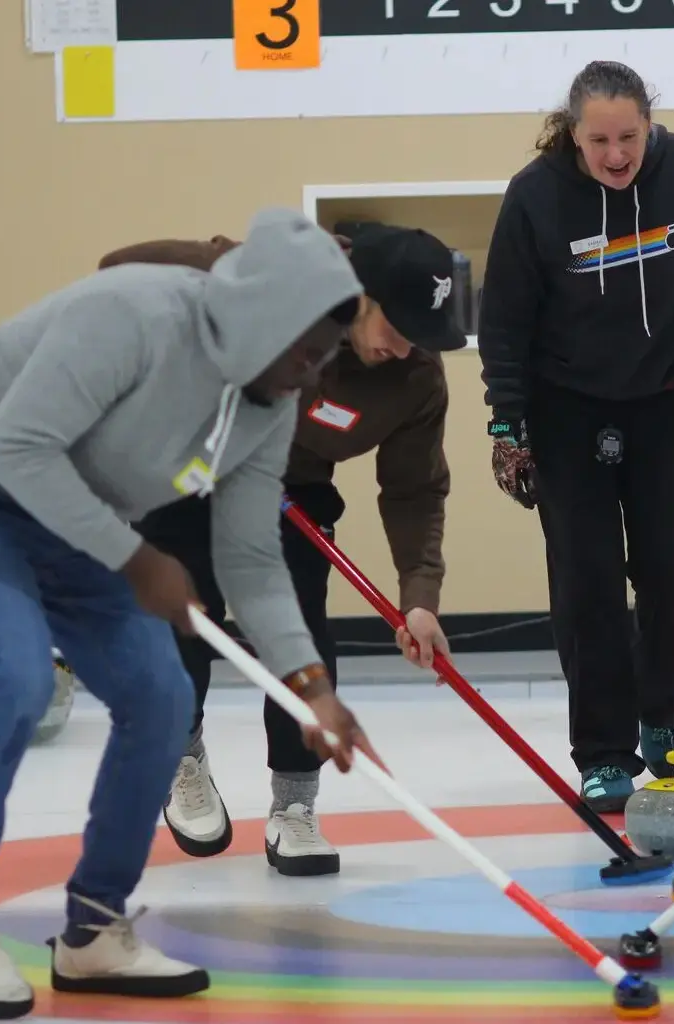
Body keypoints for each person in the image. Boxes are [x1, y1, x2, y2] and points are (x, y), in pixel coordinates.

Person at [0, 208, 379, 1019]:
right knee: (13, 679)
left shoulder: (269, 404)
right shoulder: (132, 315)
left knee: (160, 696)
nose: (309, 373)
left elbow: (251, 559)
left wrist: (310, 687)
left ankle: (92, 930)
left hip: (80, 514)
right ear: (261, 315)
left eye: (325, 354)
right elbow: (17, 449)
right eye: (304, 349)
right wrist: (136, 558)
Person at [100, 222, 462, 875]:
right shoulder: (282, 291)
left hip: (291, 491)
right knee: (185, 613)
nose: (405, 348)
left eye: (421, 335)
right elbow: (121, 261)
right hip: (193, 463)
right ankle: (181, 751)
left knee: (301, 635)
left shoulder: (414, 380)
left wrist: (419, 598)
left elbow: (414, 492)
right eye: (396, 326)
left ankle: (294, 807)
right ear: (359, 296)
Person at [476, 60, 674, 813]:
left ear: (650, 126)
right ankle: (604, 752)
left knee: (670, 565)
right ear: (573, 132)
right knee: (588, 581)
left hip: (660, 396)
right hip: (568, 410)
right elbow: (505, 325)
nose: (617, 155)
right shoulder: (535, 197)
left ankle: (661, 720)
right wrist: (507, 423)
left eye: (630, 137)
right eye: (599, 141)